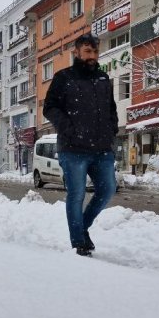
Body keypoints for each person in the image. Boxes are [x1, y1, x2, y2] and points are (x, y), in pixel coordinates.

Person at [43, 33, 118, 257]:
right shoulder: (63, 77)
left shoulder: (103, 79)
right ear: (77, 53)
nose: (92, 56)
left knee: (107, 189)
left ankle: (82, 228)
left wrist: (111, 128)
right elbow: (50, 108)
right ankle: (79, 241)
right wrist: (69, 128)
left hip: (102, 147)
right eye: (87, 51)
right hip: (73, 148)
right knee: (76, 194)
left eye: (95, 52)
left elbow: (111, 108)